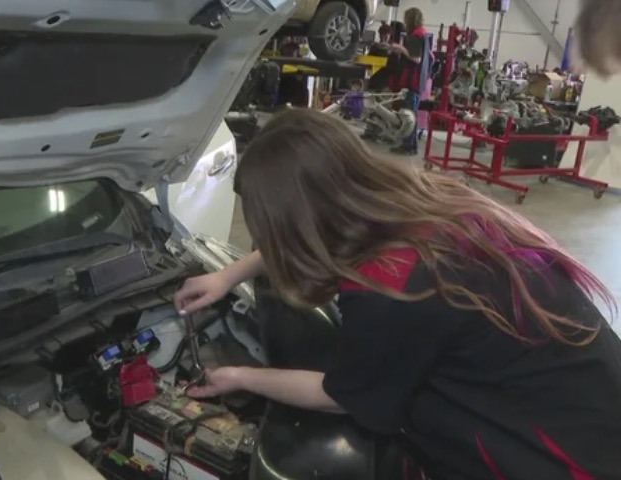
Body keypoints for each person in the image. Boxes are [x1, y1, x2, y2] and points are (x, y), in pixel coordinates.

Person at [174, 108, 621, 479]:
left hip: (561, 456)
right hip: (593, 396)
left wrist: (241, 377)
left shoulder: (390, 283)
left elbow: (344, 395)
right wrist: (228, 275)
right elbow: (310, 229)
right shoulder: (417, 195)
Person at [387, 8, 432, 156]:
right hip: (418, 81)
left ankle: (409, 146)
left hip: (412, 81)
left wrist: (401, 48)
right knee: (412, 114)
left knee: (409, 116)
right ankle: (410, 145)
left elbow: (416, 58)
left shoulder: (415, 36)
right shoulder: (423, 35)